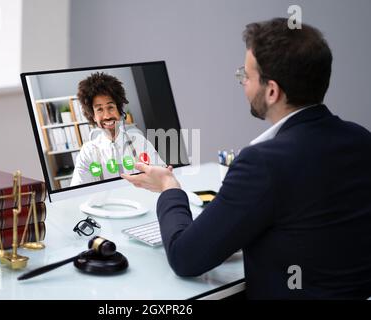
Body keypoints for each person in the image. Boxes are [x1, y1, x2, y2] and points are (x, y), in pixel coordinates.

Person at [122, 18, 371, 299]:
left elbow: (185, 257)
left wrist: (170, 188)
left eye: (246, 76)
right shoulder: (360, 138)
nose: (243, 83)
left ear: (272, 91)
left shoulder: (263, 163)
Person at [70, 72, 165, 186]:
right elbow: (76, 189)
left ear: (119, 111)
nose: (107, 116)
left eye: (111, 107)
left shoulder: (139, 142)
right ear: (93, 116)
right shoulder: (88, 152)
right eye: (99, 109)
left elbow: (162, 175)